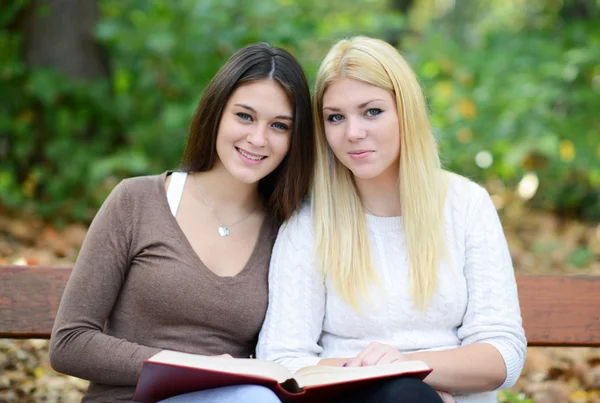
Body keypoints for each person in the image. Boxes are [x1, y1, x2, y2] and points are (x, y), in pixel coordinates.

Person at [256, 36, 527, 403]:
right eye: (336, 117)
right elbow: (284, 361)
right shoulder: (309, 223)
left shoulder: (465, 206)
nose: (353, 133)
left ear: (406, 112)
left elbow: (502, 356)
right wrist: (393, 380)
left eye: (372, 111)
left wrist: (411, 368)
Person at [50, 42, 314, 403]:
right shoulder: (136, 201)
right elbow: (70, 342)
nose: (257, 138)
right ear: (216, 112)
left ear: (294, 140)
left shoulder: (288, 230)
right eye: (244, 116)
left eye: (279, 125)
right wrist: (191, 366)